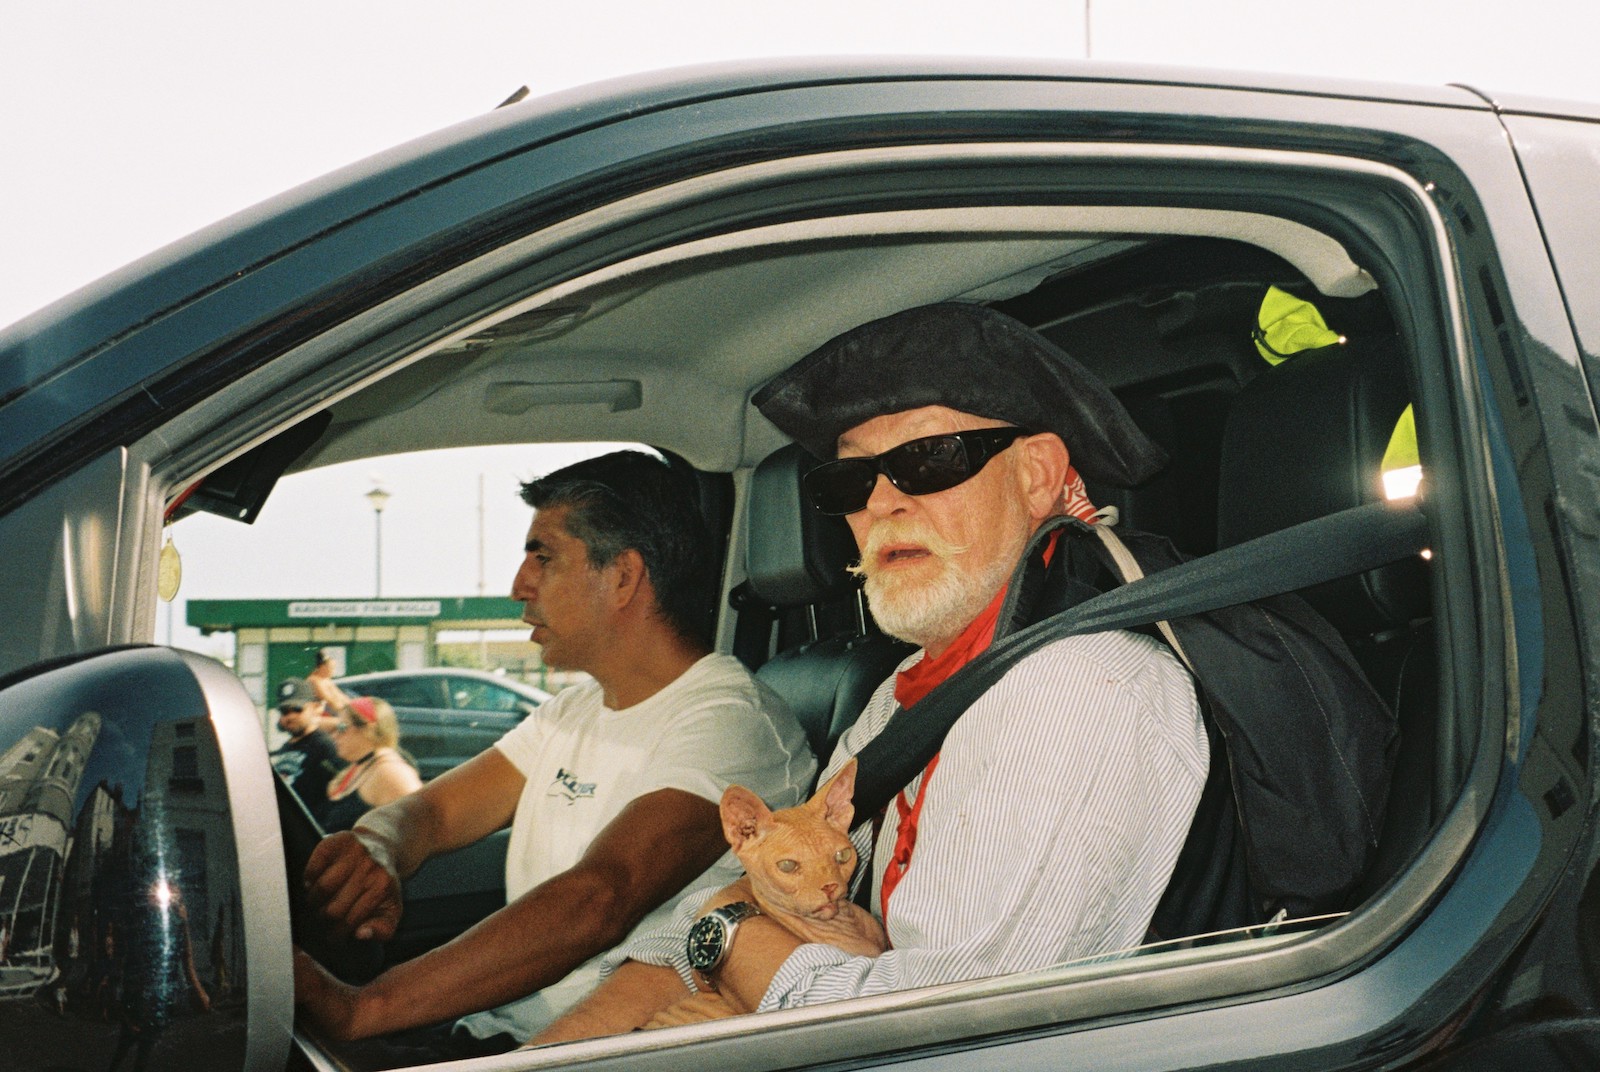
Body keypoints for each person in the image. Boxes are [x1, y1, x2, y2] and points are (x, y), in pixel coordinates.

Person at [533, 302, 1211, 1043]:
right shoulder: (903, 694)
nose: (882, 502)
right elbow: (765, 894)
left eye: (930, 459)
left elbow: (946, 1035)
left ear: (1037, 474)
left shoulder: (1079, 693)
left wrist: (729, 934)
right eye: (849, 482)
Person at [293, 450, 814, 1059]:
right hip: (500, 1033)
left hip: (590, 1051)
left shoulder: (730, 723)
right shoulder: (574, 712)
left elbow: (599, 899)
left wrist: (367, 1007)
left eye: (544, 557)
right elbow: (435, 813)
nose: (520, 585)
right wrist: (378, 845)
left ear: (622, 577)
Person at [320, 695, 423, 832]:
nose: (334, 735)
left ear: (368, 728)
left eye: (342, 727)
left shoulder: (391, 771)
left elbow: (422, 827)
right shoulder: (361, 765)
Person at [268, 677, 341, 821]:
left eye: (297, 709)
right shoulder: (285, 747)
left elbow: (337, 798)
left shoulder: (325, 747)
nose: (291, 716)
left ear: (314, 708)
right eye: (285, 711)